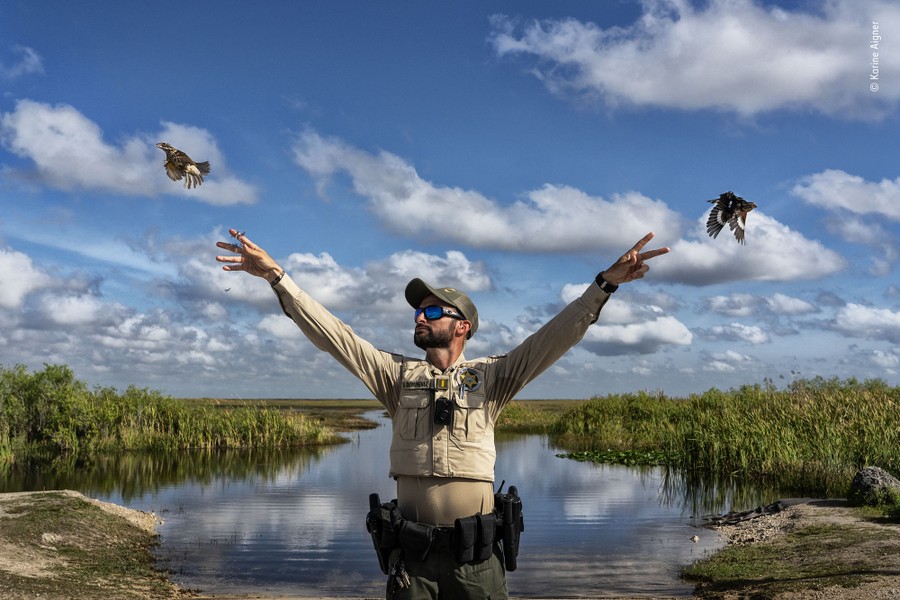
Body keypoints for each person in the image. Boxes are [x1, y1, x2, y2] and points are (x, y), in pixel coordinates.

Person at [216, 229, 669, 600]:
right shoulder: (395, 376)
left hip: (476, 563)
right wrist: (277, 277)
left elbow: (554, 337)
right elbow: (335, 335)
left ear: (462, 326)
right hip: (412, 563)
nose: (420, 317)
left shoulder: (494, 377)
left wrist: (603, 285)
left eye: (432, 311)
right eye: (418, 311)